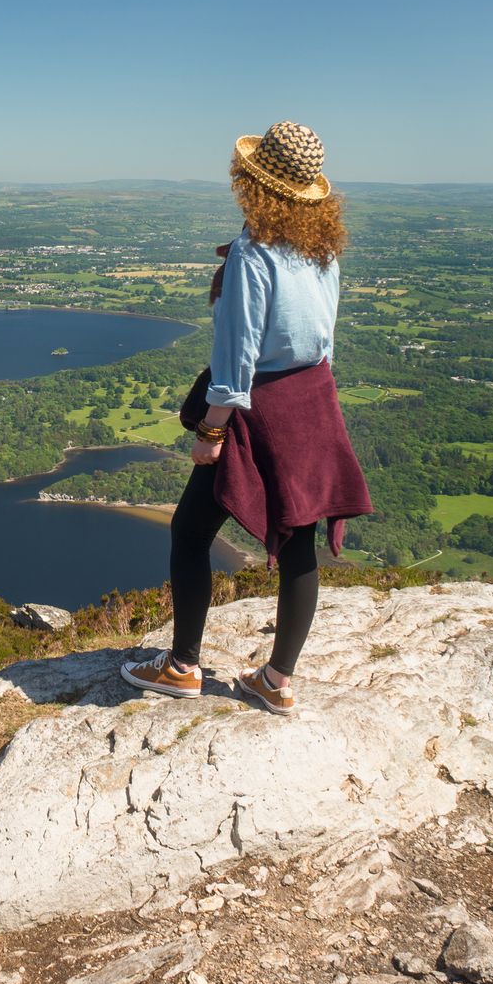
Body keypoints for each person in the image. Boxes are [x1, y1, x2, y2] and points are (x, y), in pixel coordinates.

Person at [122, 121, 371, 714]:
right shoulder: (322, 250)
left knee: (189, 531)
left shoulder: (254, 253)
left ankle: (182, 667)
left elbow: (238, 353)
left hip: (257, 406)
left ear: (252, 183)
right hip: (311, 399)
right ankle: (277, 680)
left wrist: (212, 431)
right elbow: (323, 337)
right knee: (300, 536)